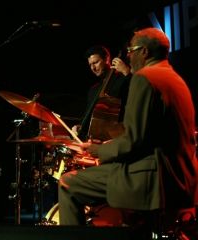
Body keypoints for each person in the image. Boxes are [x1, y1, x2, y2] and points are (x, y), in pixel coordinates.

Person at [59, 28, 198, 226]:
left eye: (131, 50)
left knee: (68, 183)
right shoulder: (176, 80)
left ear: (145, 52)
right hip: (180, 178)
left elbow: (134, 139)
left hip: (152, 177)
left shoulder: (144, 78)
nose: (128, 56)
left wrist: (101, 150)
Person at [73, 45, 132, 142]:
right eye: (90, 65)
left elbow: (140, 90)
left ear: (106, 59)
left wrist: (126, 72)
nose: (93, 68)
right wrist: (80, 126)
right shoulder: (93, 90)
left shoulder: (123, 79)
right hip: (97, 141)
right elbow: (87, 115)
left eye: (95, 63)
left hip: (121, 138)